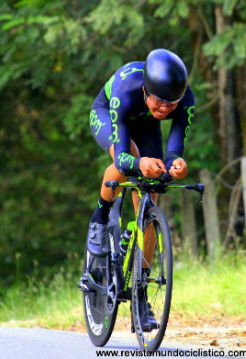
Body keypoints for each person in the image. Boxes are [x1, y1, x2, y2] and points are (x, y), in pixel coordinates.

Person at [83, 48, 195, 331]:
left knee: (153, 185)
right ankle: (99, 219)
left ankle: (140, 296)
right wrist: (140, 161)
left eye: (172, 105)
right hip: (111, 114)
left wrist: (176, 164)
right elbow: (123, 158)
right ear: (146, 90)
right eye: (160, 102)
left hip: (144, 124)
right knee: (127, 164)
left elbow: (174, 147)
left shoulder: (184, 99)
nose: (165, 109)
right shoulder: (126, 89)